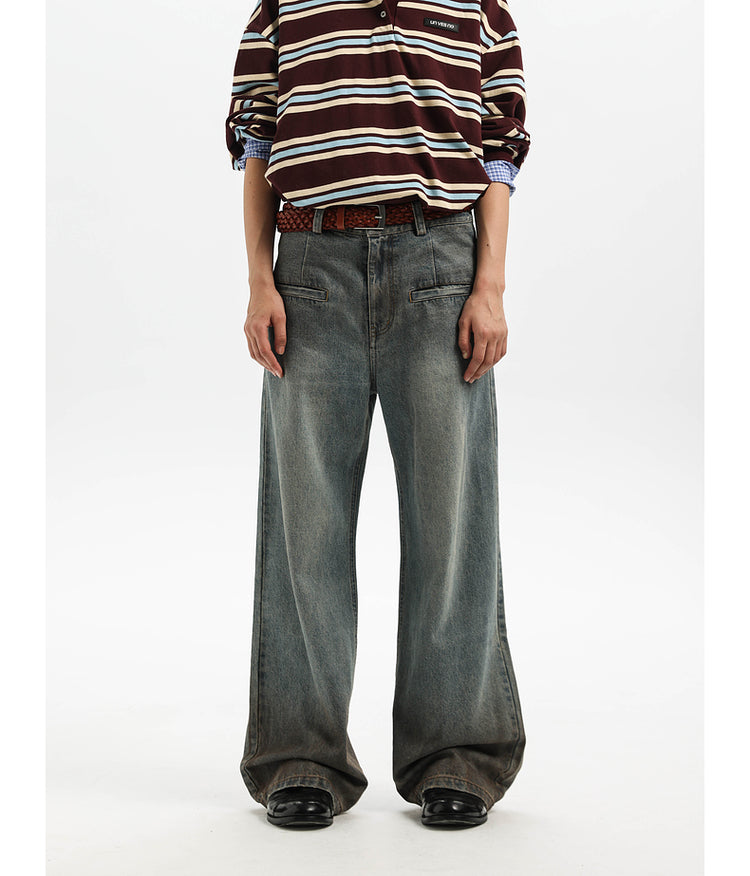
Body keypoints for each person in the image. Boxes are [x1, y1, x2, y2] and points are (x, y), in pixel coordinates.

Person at [225, 0, 530, 830]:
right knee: (305, 526)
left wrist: (490, 286)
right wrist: (259, 280)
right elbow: (256, 139)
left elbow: (499, 150)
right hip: (310, 267)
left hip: (440, 264)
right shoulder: (284, 6)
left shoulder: (478, 8)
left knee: (451, 522)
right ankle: (301, 756)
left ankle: (457, 753)